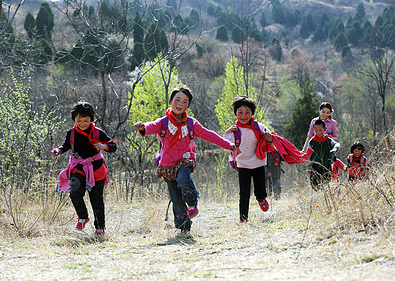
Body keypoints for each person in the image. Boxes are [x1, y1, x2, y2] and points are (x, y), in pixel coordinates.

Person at [135, 85, 234, 235]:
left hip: (185, 159)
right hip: (167, 164)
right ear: (170, 101)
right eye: (178, 100)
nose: (180, 104)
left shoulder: (191, 124)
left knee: (183, 178)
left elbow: (209, 135)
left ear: (188, 105)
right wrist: (143, 127)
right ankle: (184, 228)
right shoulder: (163, 122)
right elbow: (152, 126)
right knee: (176, 198)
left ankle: (193, 202)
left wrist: (228, 145)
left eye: (184, 101)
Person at [53, 102, 117, 237]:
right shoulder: (71, 133)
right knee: (75, 193)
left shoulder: (98, 133)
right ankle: (83, 217)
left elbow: (113, 146)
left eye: (85, 120)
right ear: (74, 120)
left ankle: (100, 229)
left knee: (97, 200)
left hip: (96, 169)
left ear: (91, 119)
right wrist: (59, 150)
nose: (82, 123)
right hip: (77, 167)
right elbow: (65, 146)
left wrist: (103, 146)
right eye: (78, 121)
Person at [224, 96, 274, 223]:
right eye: (240, 112)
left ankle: (261, 199)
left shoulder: (259, 126)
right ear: (235, 113)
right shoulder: (234, 131)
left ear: (252, 113)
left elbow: (272, 142)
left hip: (258, 163)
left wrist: (269, 138)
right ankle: (243, 219)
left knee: (260, 191)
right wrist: (227, 133)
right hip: (243, 165)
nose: (244, 116)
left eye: (247, 112)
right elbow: (226, 147)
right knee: (244, 193)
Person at [307, 119, 340, 190]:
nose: (318, 132)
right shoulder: (312, 141)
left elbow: (337, 144)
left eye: (320, 130)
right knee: (315, 185)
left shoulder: (328, 140)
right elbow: (308, 154)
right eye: (316, 130)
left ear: (325, 129)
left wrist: (335, 149)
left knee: (326, 184)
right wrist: (308, 165)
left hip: (326, 166)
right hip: (315, 167)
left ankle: (324, 197)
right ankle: (318, 197)